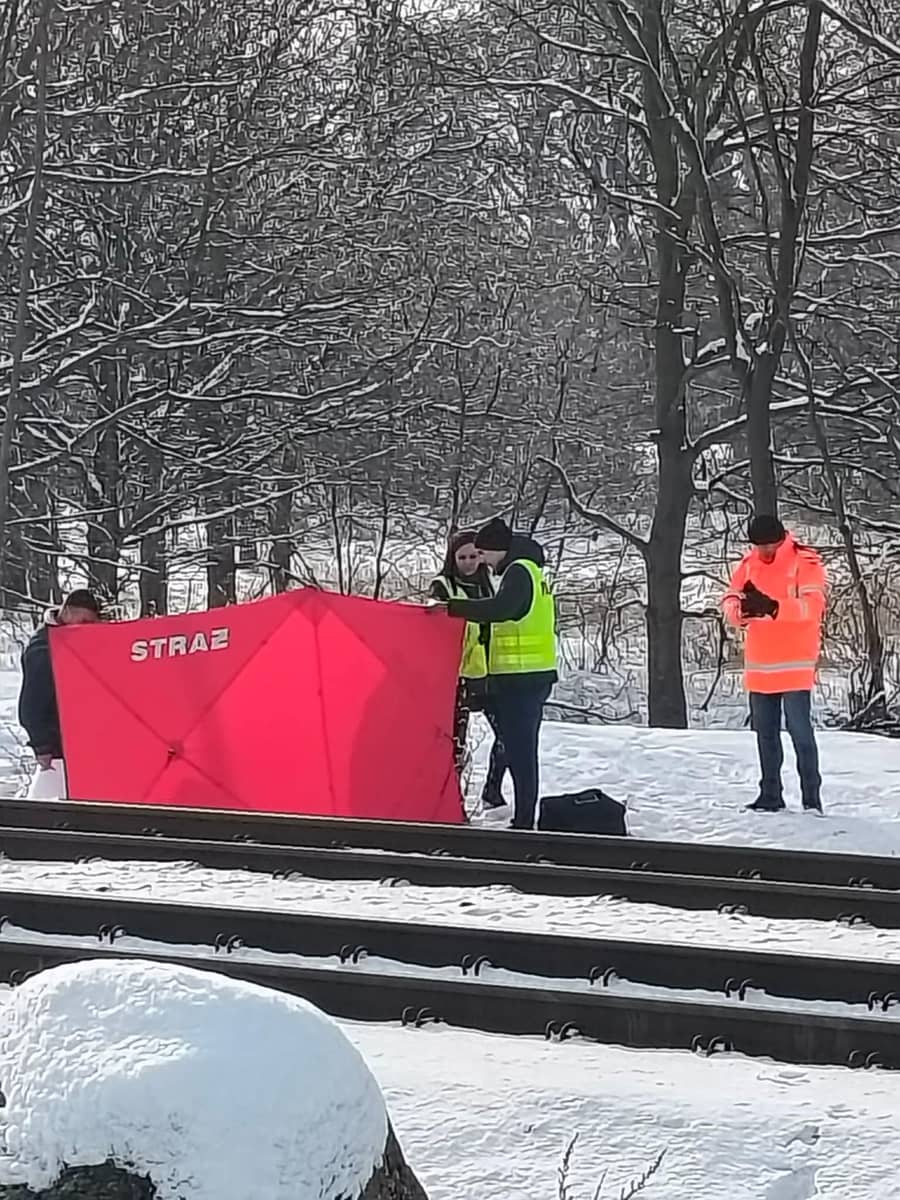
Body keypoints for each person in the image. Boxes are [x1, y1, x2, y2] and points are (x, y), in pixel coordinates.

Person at [442, 517, 557, 830]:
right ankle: (514, 810)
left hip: (521, 678)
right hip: (530, 675)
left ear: (497, 549)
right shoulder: (532, 570)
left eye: (483, 553)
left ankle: (523, 822)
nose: (482, 561)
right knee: (518, 750)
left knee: (521, 753)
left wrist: (452, 607)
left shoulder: (519, 571)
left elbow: (501, 609)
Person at [722, 515, 827, 813]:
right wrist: (740, 612)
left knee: (800, 732)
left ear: (781, 540)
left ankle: (811, 799)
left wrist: (774, 607)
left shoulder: (804, 562)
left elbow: (813, 608)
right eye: (759, 546)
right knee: (765, 733)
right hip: (760, 662)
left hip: (795, 661)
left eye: (770, 546)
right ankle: (770, 795)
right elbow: (730, 597)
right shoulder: (749, 563)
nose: (765, 552)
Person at [430, 531, 508, 811]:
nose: (468, 562)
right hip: (457, 677)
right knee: (454, 744)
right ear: (452, 559)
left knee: (508, 736)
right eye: (462, 557)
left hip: (489, 673)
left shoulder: (492, 585)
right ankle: (452, 802)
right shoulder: (442, 586)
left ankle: (492, 791)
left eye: (474, 556)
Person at [18, 589, 102, 799]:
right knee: (47, 805)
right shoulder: (43, 648)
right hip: (56, 746)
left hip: (80, 742)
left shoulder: (74, 638)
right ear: (67, 612)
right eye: (83, 620)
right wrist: (42, 745)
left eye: (92, 623)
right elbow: (32, 703)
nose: (87, 627)